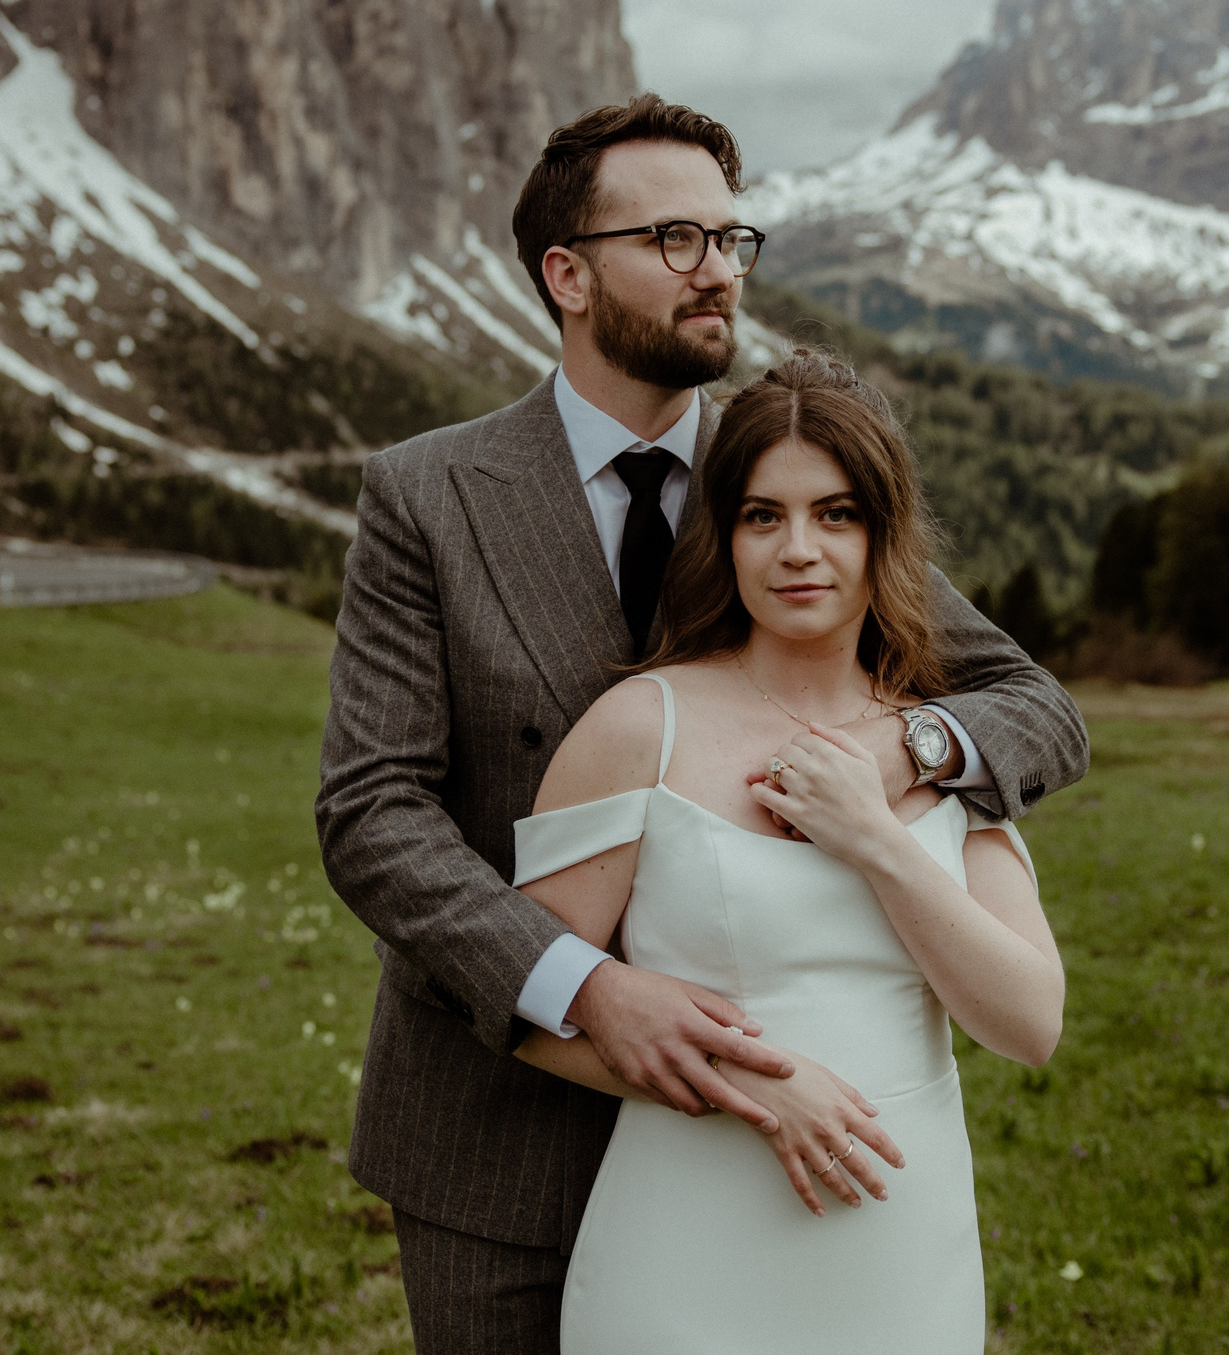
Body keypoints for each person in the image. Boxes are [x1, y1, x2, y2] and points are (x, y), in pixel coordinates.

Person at [316, 94, 1088, 1353]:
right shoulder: (427, 493)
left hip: (779, 1174)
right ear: (567, 274)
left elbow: (1032, 707)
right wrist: (584, 986)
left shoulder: (786, 478)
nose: (717, 269)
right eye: (676, 239)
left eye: (732, 239)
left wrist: (894, 756)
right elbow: (370, 811)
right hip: (498, 1128)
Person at [514, 347, 1066, 1351]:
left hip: (900, 1254)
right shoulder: (642, 725)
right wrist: (748, 1085)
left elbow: (1029, 1024)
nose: (797, 548)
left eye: (836, 514)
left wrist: (875, 841)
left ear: (882, 534)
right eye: (763, 515)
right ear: (721, 537)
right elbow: (523, 1004)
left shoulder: (943, 743)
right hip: (684, 1251)